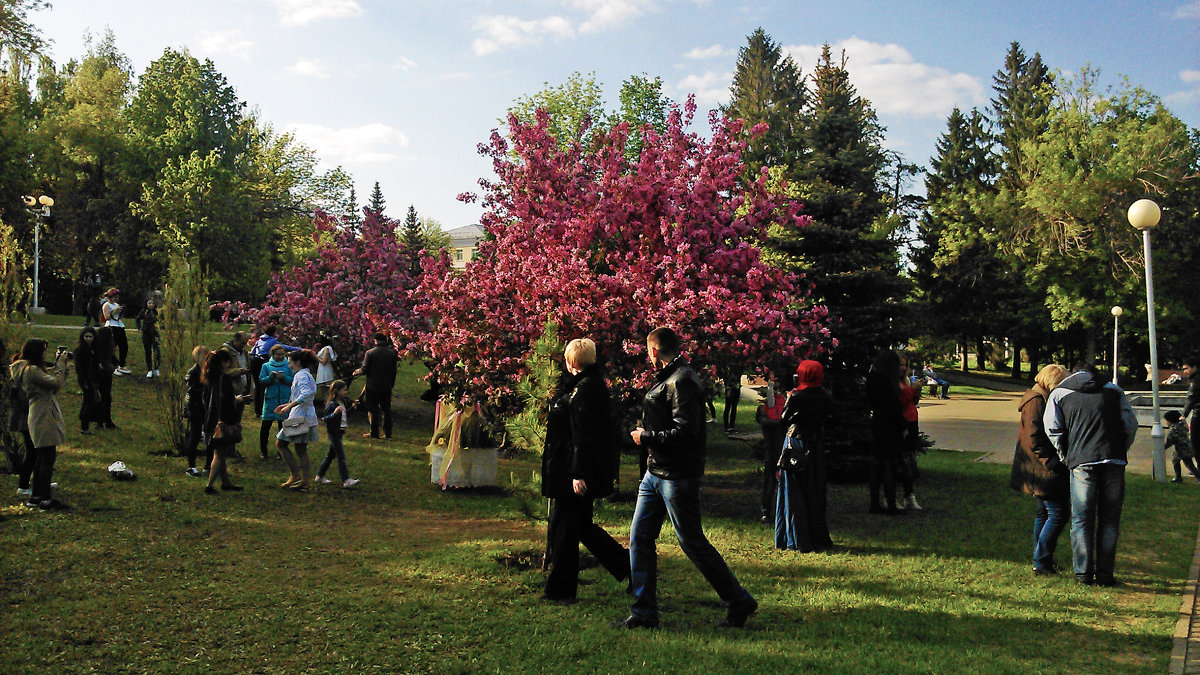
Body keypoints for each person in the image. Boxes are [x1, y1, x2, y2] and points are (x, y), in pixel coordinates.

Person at [623, 327, 757, 629]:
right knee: (639, 538)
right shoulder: (671, 378)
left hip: (676, 476)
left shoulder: (682, 380)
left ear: (654, 351)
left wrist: (646, 436)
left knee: (692, 541)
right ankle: (643, 611)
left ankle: (739, 600)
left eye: (648, 351)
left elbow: (686, 433)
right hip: (655, 473)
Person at [540, 338, 629, 602]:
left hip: (574, 472)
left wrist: (577, 475)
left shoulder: (586, 391)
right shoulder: (585, 387)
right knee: (578, 528)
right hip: (572, 469)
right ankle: (630, 567)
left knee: (567, 530)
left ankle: (561, 591)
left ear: (571, 362)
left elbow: (584, 436)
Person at [1044, 364, 1138, 586]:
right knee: (1110, 520)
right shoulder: (1114, 390)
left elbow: (1053, 429)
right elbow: (1130, 425)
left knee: (1081, 519)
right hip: (1113, 459)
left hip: (1081, 461)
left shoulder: (1059, 393)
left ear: (1074, 373)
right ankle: (1105, 575)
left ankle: (1083, 574)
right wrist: (1121, 449)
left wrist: (1065, 454)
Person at [1008, 364, 1069, 575]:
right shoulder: (1036, 401)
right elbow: (1034, 437)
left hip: (1036, 466)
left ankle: (1042, 559)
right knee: (1058, 513)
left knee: (1045, 514)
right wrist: (1050, 460)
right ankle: (1041, 561)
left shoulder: (1035, 397)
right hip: (1042, 468)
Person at [775, 359, 834, 552]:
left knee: (794, 491)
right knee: (813, 490)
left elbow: (784, 419)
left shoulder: (798, 396)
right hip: (815, 445)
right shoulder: (826, 395)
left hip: (796, 443)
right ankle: (816, 536)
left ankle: (795, 537)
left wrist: (789, 399)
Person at [12, 339, 71, 509]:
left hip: (41, 413)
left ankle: (37, 497)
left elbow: (53, 387)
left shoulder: (29, 370)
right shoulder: (31, 370)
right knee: (47, 458)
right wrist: (60, 365)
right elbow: (54, 383)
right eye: (43, 352)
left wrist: (62, 368)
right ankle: (45, 498)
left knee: (41, 457)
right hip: (42, 415)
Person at [201, 349, 248, 494]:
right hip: (221, 420)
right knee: (219, 454)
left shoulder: (209, 377)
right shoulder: (224, 379)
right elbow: (225, 401)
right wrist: (237, 401)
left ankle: (226, 482)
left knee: (219, 452)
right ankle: (209, 485)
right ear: (223, 362)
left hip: (210, 419)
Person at [275, 350, 320, 491]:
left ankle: (295, 475)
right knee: (301, 449)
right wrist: (287, 404)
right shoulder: (306, 375)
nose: (289, 366)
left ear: (297, 362)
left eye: (290, 363)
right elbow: (303, 395)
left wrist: (289, 406)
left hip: (300, 416)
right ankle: (305, 481)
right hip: (306, 414)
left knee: (281, 444)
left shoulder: (301, 375)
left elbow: (306, 393)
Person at [867, 349, 905, 515]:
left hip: (877, 422)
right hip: (890, 424)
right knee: (889, 464)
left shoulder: (873, 378)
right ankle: (891, 503)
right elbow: (894, 407)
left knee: (877, 463)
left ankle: (874, 502)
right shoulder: (889, 381)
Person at [353, 332, 397, 440]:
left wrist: (358, 371)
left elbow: (365, 369)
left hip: (372, 386)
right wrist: (391, 384)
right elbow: (393, 371)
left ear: (375, 341)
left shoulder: (370, 353)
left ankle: (374, 432)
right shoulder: (392, 354)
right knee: (386, 410)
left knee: (373, 410)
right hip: (386, 386)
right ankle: (388, 433)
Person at [316, 380, 359, 489]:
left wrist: (353, 408)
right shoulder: (332, 405)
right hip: (333, 433)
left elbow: (344, 416)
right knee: (341, 456)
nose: (346, 392)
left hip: (339, 432)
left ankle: (319, 475)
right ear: (337, 391)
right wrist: (334, 414)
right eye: (344, 390)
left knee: (330, 456)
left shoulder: (342, 403)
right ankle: (346, 480)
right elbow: (325, 419)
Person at [756, 370, 787, 523]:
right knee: (770, 482)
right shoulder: (765, 411)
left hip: (782, 450)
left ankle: (773, 512)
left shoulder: (785, 403)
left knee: (779, 482)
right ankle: (766, 512)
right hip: (773, 451)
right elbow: (764, 421)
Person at [248, 325, 299, 418]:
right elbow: (284, 347)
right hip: (263, 362)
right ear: (273, 332)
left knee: (258, 386)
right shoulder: (273, 341)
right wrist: (299, 349)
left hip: (255, 363)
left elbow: (253, 351)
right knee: (264, 387)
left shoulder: (260, 340)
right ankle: (265, 410)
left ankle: (257, 411)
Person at [258, 345, 294, 460]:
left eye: (282, 354)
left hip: (284, 399)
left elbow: (293, 380)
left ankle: (281, 451)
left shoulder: (288, 366)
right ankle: (264, 452)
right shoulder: (266, 366)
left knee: (283, 428)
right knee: (265, 427)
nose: (281, 356)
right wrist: (270, 378)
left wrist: (284, 378)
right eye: (278, 354)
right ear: (273, 355)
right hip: (270, 400)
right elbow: (261, 381)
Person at [897, 355, 922, 511]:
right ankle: (906, 495)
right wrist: (913, 390)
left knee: (910, 457)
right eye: (900, 365)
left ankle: (909, 495)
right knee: (903, 459)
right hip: (903, 422)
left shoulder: (906, 381)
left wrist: (916, 391)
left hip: (912, 421)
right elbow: (901, 401)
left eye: (905, 365)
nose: (903, 368)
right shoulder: (894, 384)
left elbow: (912, 401)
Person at [10, 354, 36, 499]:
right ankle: (23, 485)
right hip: (26, 420)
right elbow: (25, 401)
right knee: (32, 453)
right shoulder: (22, 378)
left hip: (24, 419)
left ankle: (35, 482)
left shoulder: (18, 377)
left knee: (34, 452)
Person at [183, 345, 211, 477]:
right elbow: (192, 389)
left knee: (209, 435)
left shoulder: (208, 370)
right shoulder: (194, 372)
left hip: (206, 406)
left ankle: (208, 465)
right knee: (195, 435)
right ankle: (191, 466)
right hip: (196, 406)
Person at [74, 327, 99, 435]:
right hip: (85, 379)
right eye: (86, 336)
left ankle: (85, 425)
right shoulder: (80, 350)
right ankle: (84, 427)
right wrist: (83, 381)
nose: (88, 339)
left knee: (91, 401)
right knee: (89, 402)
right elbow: (79, 368)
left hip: (92, 378)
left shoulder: (93, 349)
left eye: (90, 336)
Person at [1164, 410, 1200, 483]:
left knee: (1189, 464)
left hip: (1183, 449)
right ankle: (1178, 477)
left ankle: (1198, 477)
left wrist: (1162, 448)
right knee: (1175, 460)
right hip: (1185, 447)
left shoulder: (1174, 430)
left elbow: (1170, 441)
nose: (1166, 423)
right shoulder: (1182, 424)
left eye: (1167, 421)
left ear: (1171, 421)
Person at [101, 288, 131, 375]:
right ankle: (112, 366)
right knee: (112, 347)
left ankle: (121, 365)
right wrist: (115, 311)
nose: (116, 298)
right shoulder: (106, 305)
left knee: (124, 346)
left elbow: (119, 317)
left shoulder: (116, 304)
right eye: (114, 296)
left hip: (119, 326)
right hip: (111, 326)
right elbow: (107, 317)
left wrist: (121, 312)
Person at [93, 326, 117, 429]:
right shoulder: (102, 349)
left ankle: (103, 421)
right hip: (101, 376)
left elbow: (114, 361)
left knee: (103, 398)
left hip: (104, 375)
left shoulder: (106, 349)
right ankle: (103, 421)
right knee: (104, 398)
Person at [136, 298, 160, 378]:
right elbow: (138, 319)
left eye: (152, 303)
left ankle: (156, 368)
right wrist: (139, 328)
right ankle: (149, 370)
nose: (151, 305)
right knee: (148, 351)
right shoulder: (144, 311)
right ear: (146, 304)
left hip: (155, 333)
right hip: (146, 333)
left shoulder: (156, 312)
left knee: (156, 351)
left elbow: (160, 319)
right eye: (149, 303)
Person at [1183, 357, 1200, 465]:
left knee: (1196, 442)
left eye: (1186, 368)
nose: (1185, 371)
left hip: (1198, 414)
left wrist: (1184, 415)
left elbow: (1191, 398)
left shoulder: (1195, 381)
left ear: (1194, 367)